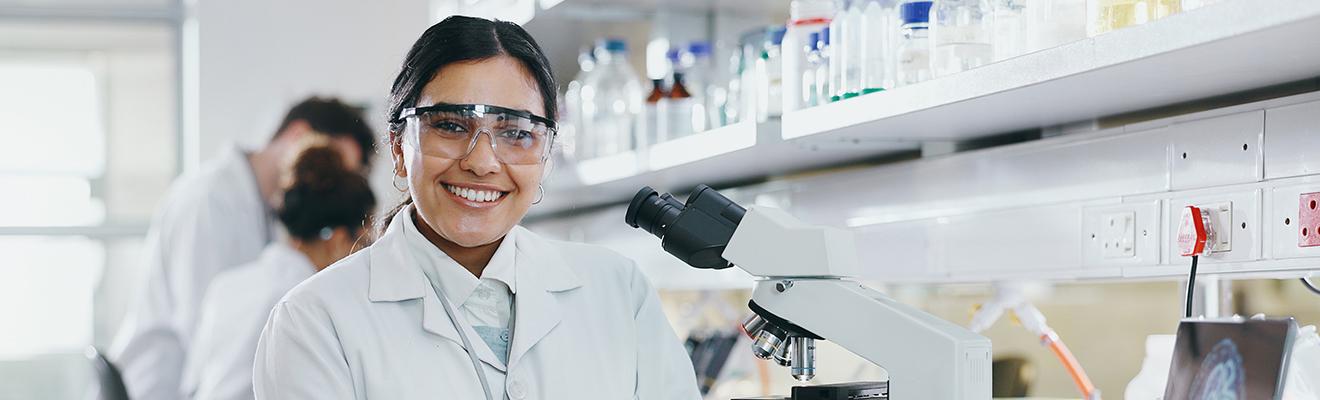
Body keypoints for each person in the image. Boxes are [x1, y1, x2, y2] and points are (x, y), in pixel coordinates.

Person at [253, 16, 701, 399]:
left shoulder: (618, 292)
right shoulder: (315, 321)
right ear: (397, 146)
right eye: (449, 125)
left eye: (516, 132)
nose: (482, 161)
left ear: (546, 153)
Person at [110, 97, 376, 400]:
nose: (333, 183)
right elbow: (201, 333)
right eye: (331, 164)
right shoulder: (211, 200)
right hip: (157, 386)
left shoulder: (263, 227)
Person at [182, 144, 377, 400]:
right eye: (364, 244)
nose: (367, 256)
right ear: (339, 241)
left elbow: (191, 384)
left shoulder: (230, 283)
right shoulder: (308, 303)